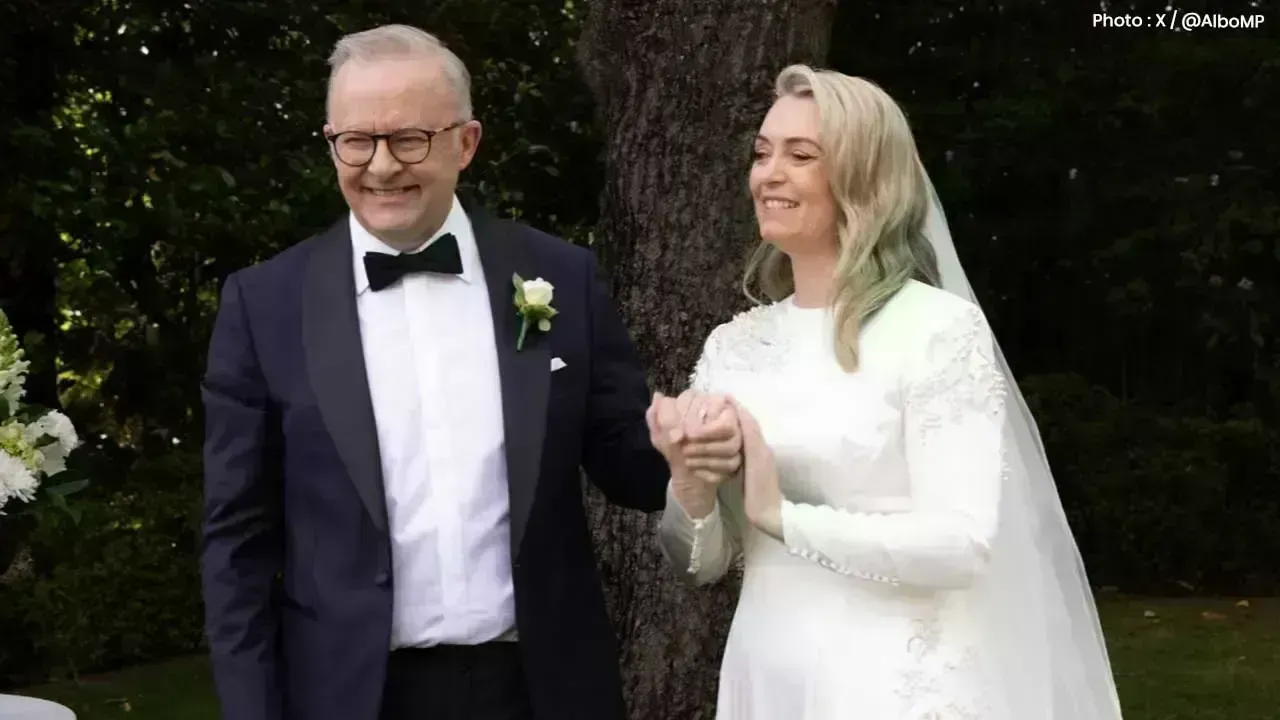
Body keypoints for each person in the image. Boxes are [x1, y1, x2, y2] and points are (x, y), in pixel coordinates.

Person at [199, 24, 740, 720]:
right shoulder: (264, 305)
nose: (381, 166)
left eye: (409, 139)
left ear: (466, 143)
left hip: (537, 689)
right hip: (348, 696)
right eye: (356, 141)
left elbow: (627, 466)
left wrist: (683, 451)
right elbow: (236, 542)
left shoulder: (558, 277)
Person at [651, 65, 1125, 718]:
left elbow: (961, 546)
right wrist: (692, 484)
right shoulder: (732, 347)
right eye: (762, 154)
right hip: (768, 674)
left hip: (892, 680)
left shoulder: (934, 330)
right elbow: (703, 561)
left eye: (801, 155)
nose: (769, 174)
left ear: (864, 177)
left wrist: (782, 516)